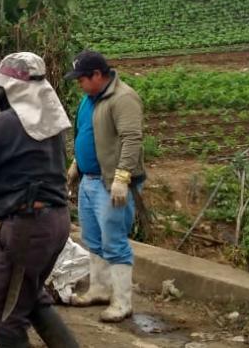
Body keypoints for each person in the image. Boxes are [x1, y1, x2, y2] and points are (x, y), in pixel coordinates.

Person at [0, 52, 79, 348]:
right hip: (54, 220)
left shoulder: (6, 122)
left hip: (28, 228)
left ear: (10, 90)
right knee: (31, 300)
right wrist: (0, 175)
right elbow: (35, 162)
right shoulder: (47, 118)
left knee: (3, 316)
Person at [64, 50, 145, 323]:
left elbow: (132, 139)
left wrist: (123, 177)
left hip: (109, 184)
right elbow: (89, 134)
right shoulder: (90, 99)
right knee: (94, 241)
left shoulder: (123, 98)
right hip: (89, 180)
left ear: (97, 75)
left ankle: (122, 302)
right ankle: (99, 289)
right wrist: (77, 163)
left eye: (81, 79)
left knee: (115, 243)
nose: (79, 84)